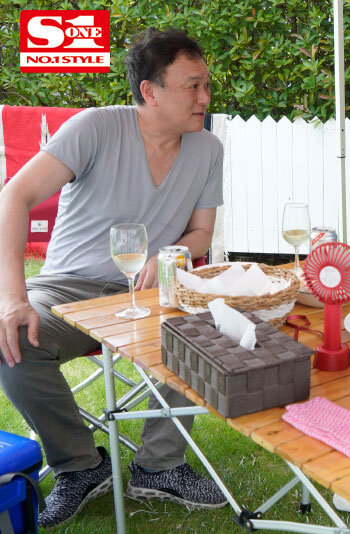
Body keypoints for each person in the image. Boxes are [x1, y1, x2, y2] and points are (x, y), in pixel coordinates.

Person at [0, 28, 228, 527]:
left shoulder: (208, 148)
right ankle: (80, 466)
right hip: (67, 289)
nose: (205, 98)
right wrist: (12, 298)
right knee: (10, 338)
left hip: (151, 292)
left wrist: (169, 254)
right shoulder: (95, 127)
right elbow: (14, 196)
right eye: (192, 86)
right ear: (150, 91)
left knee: (203, 325)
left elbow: (201, 233)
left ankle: (160, 466)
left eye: (207, 85)